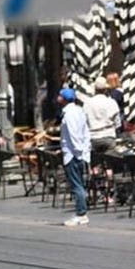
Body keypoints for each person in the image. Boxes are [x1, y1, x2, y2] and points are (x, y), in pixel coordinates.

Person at [57, 88, 91, 227]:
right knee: (79, 184)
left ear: (64, 98)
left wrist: (77, 152)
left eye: (60, 96)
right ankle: (80, 211)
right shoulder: (79, 111)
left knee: (77, 185)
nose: (58, 98)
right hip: (79, 153)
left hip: (72, 154)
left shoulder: (69, 114)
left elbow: (74, 134)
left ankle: (81, 213)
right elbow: (86, 132)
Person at [85, 76, 121, 186]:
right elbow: (117, 122)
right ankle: (109, 191)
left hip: (93, 136)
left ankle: (96, 188)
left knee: (94, 164)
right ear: (105, 89)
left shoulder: (88, 103)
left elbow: (85, 121)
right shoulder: (111, 102)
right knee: (109, 165)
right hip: (108, 135)